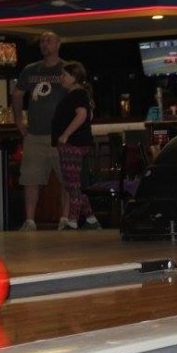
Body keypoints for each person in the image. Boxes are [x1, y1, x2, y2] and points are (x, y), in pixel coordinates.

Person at [12, 30, 70, 230]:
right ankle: (30, 221)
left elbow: (81, 96)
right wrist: (19, 121)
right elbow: (17, 94)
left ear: (58, 44)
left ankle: (66, 219)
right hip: (35, 134)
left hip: (60, 136)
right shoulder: (30, 70)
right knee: (30, 178)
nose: (45, 44)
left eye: (49, 41)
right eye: (42, 42)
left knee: (66, 179)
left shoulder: (66, 69)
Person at [51, 61, 102, 231]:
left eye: (64, 75)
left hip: (72, 144)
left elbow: (82, 115)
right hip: (74, 143)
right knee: (72, 184)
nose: (61, 78)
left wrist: (66, 134)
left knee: (72, 184)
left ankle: (72, 222)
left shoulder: (77, 94)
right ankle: (91, 219)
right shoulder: (77, 94)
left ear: (74, 77)